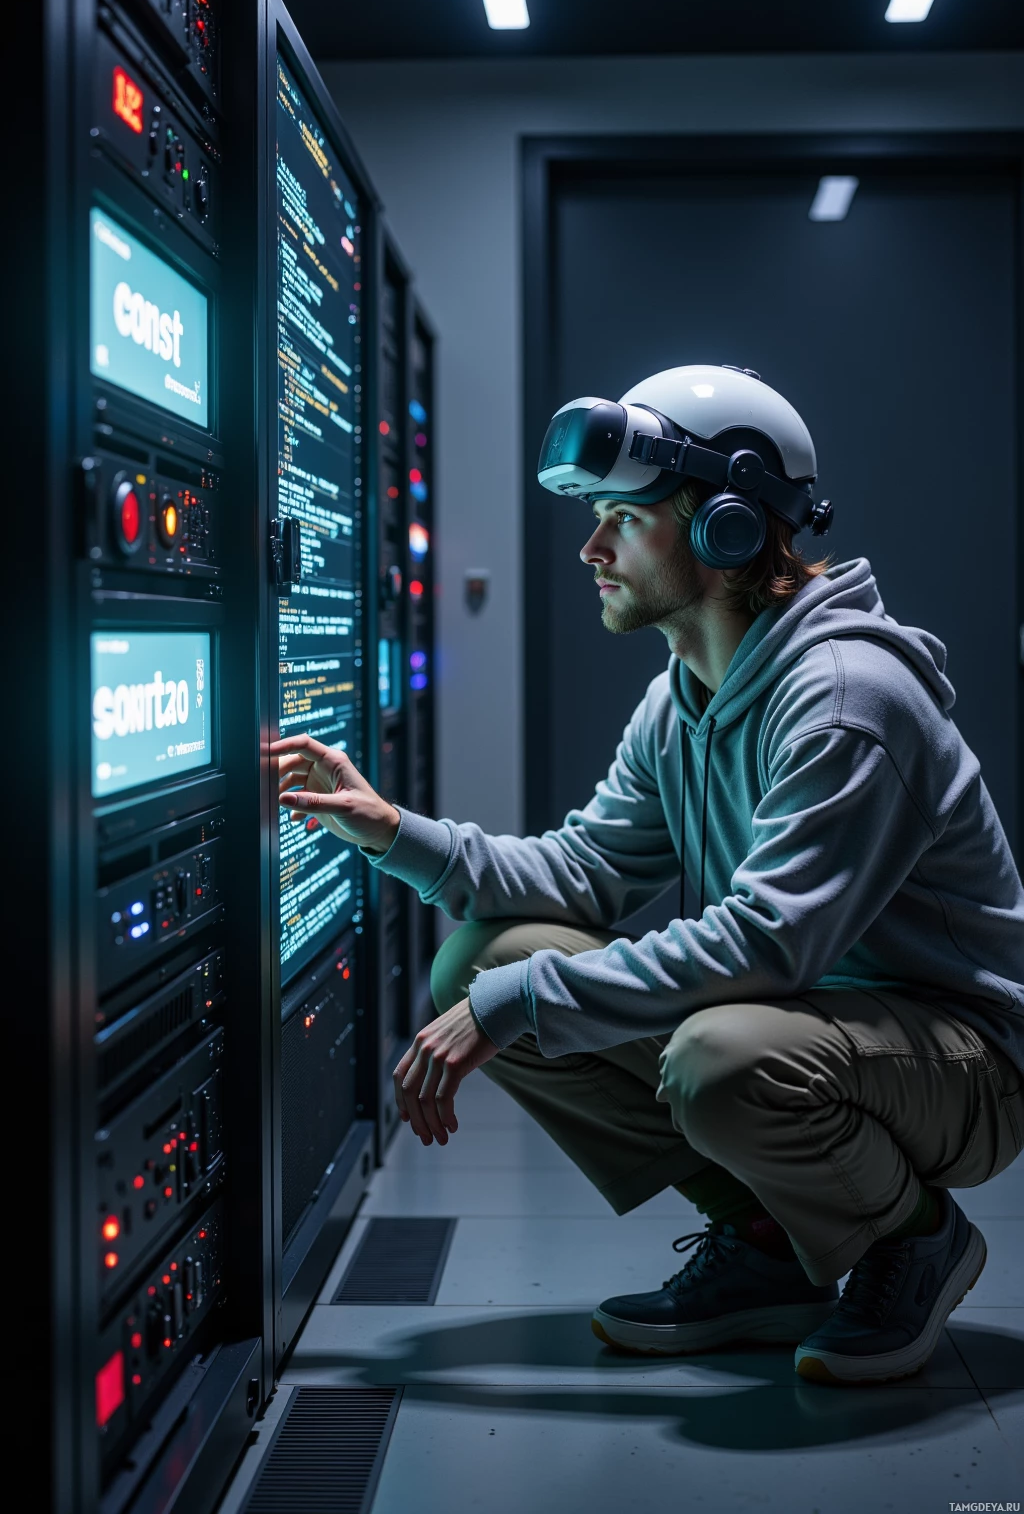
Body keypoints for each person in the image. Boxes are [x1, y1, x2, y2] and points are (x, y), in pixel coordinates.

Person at [270, 364, 1024, 1386]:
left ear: (728, 529)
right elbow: (582, 876)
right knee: (481, 958)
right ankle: (767, 1246)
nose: (590, 549)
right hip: (807, 1027)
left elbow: (766, 942)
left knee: (714, 1056)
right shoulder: (682, 700)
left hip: (961, 1066)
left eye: (620, 519)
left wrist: (521, 1002)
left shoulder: (847, 699)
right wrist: (395, 831)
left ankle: (917, 1239)